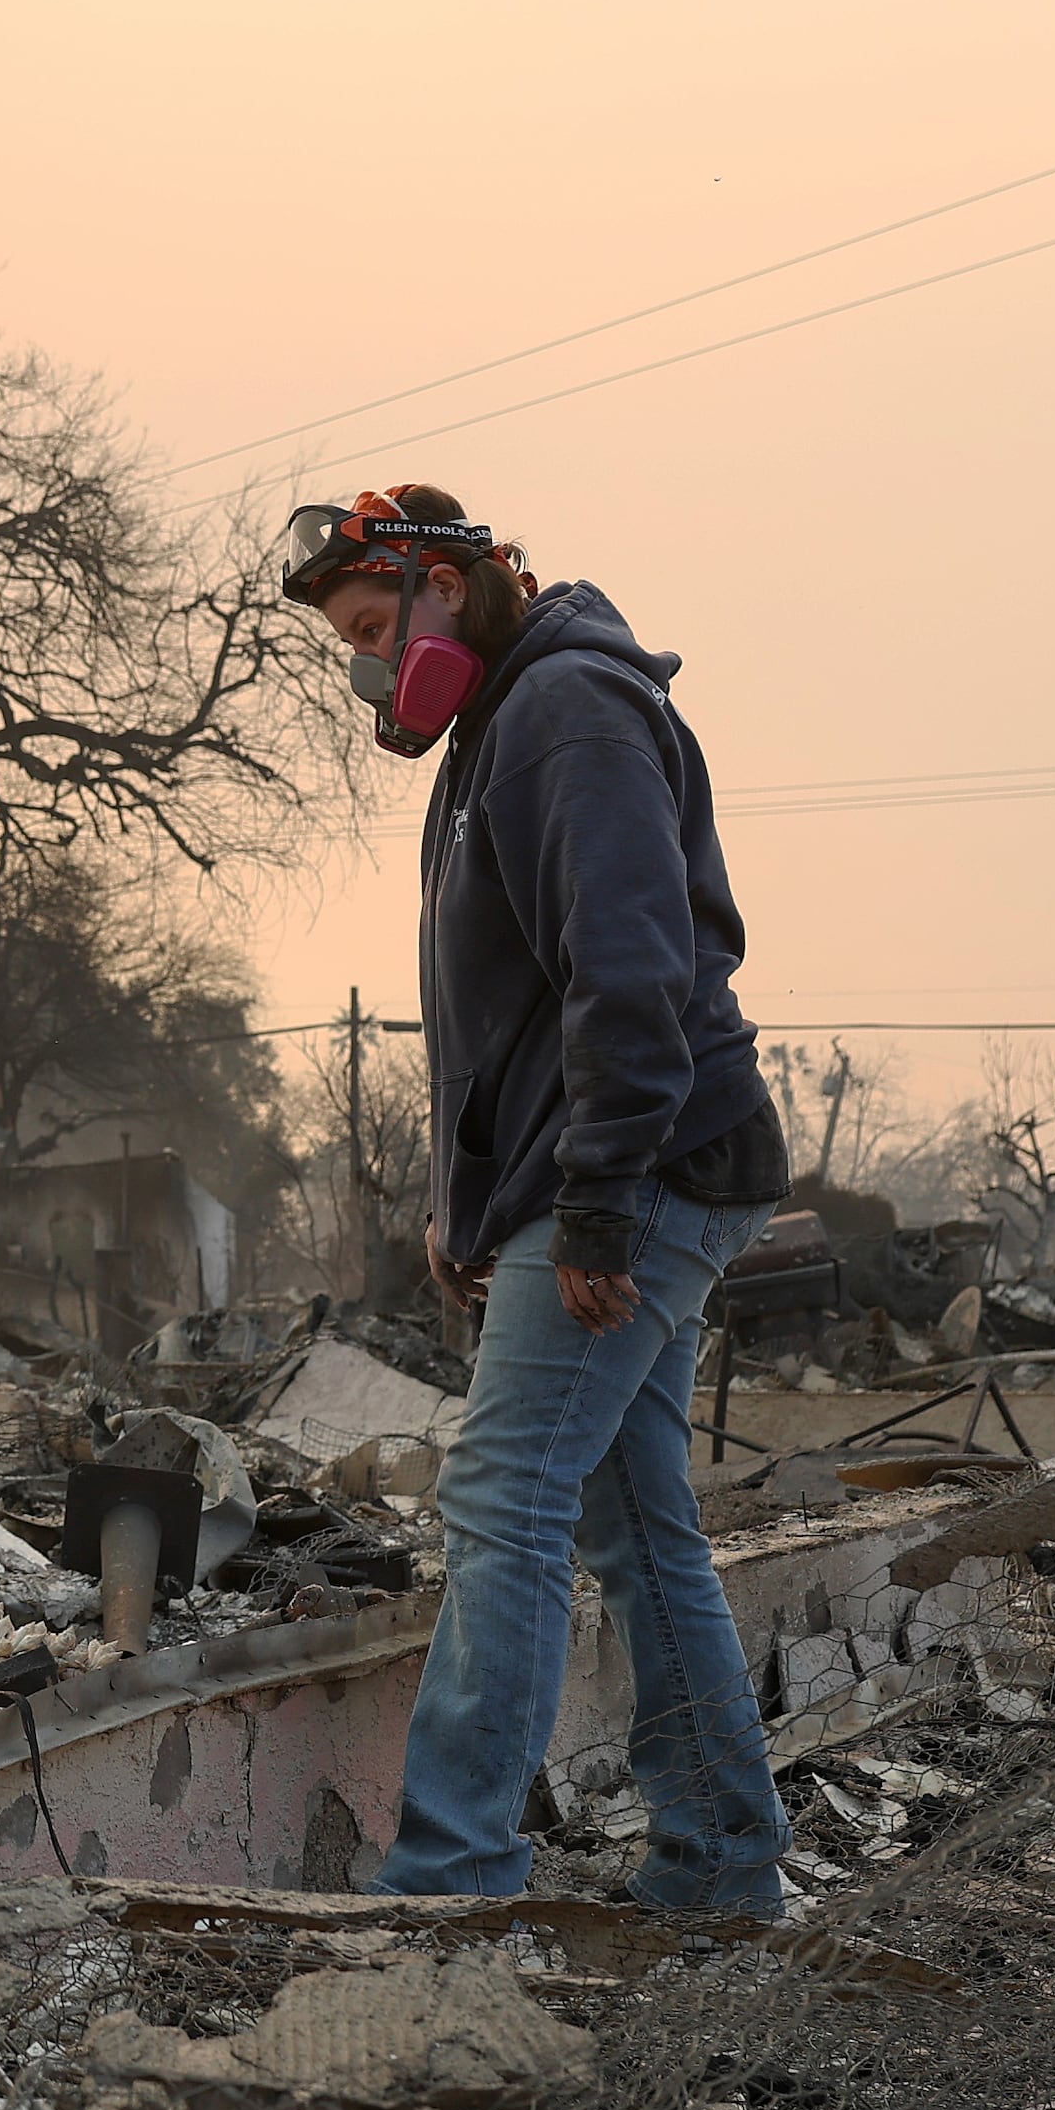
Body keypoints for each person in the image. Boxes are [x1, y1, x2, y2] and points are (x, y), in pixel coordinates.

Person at [286, 487, 794, 1916]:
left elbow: (629, 978)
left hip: (653, 1165)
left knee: (503, 1496)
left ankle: (452, 1881)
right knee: (634, 1521)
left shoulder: (563, 710)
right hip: (624, 1168)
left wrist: (594, 1209)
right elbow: (505, 1012)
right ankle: (719, 1863)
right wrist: (471, 1203)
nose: (376, 671)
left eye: (382, 628)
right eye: (355, 649)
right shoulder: (500, 730)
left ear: (457, 585)